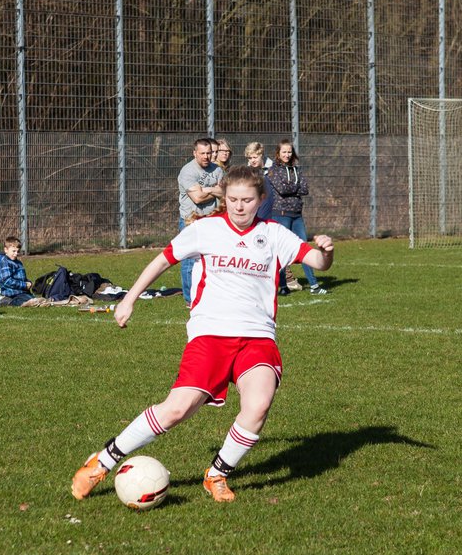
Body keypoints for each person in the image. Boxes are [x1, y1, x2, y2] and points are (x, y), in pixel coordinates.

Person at [71, 165, 335, 503]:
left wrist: (326, 252)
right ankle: (102, 461)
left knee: (258, 404)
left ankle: (217, 475)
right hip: (210, 334)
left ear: (261, 200)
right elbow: (162, 261)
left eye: (247, 200)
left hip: (257, 337)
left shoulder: (273, 234)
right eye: (233, 199)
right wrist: (129, 298)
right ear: (225, 198)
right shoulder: (206, 230)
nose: (240, 206)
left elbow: (316, 260)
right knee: (177, 410)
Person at [266, 139, 326, 295]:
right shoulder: (273, 170)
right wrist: (295, 187)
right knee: (281, 250)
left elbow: (305, 188)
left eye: (289, 151)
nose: (287, 154)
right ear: (278, 153)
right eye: (284, 152)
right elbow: (282, 189)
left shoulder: (296, 169)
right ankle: (283, 286)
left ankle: (314, 285)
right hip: (281, 214)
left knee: (304, 248)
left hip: (297, 214)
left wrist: (292, 186)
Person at [176, 138, 224, 304]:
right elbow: (197, 197)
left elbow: (223, 192)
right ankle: (190, 299)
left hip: (211, 219)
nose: (206, 156)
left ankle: (210, 293)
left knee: (213, 259)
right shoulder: (188, 171)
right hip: (191, 220)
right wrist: (214, 190)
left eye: (208, 153)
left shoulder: (217, 169)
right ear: (194, 153)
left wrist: (207, 190)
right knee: (189, 261)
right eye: (202, 153)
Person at [0, 235, 33, 307]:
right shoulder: (4, 263)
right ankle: (5, 301)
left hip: (20, 291)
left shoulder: (18, 262)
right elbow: (7, 281)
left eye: (17, 251)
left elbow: (22, 278)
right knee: (25, 300)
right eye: (13, 251)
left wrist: (28, 282)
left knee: (31, 298)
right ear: (6, 250)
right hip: (10, 293)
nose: (16, 254)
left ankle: (33, 301)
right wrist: (24, 285)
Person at [244, 141, 277, 222]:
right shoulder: (247, 171)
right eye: (250, 158)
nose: (252, 160)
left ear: (261, 155)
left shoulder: (273, 168)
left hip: (271, 207)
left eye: (255, 157)